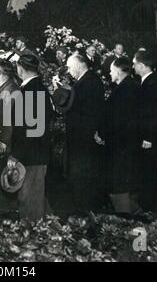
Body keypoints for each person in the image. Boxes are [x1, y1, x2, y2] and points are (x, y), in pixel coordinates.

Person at [6, 54, 53, 221]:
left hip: (30, 155)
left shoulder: (28, 92)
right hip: (37, 153)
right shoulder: (40, 88)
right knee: (36, 197)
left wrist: (16, 154)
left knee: (29, 201)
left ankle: (34, 239)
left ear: (20, 69)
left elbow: (27, 130)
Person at [98, 57, 141, 214]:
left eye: (111, 70)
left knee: (118, 188)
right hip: (127, 146)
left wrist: (102, 135)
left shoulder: (124, 90)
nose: (109, 73)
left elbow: (116, 120)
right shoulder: (132, 86)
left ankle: (126, 222)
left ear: (117, 70)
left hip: (120, 147)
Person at [64, 54, 105, 213]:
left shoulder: (89, 82)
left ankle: (85, 216)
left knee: (82, 184)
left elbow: (91, 112)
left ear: (79, 65)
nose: (68, 70)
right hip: (82, 140)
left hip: (83, 141)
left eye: (69, 66)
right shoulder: (86, 81)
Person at [132, 50, 157, 211]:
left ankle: (149, 206)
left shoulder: (153, 83)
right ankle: (147, 203)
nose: (133, 67)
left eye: (134, 64)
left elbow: (156, 113)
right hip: (148, 136)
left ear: (141, 65)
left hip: (150, 137)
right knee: (146, 171)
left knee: (149, 171)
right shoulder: (150, 81)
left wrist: (148, 137)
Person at [0, 58, 21, 215]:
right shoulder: (4, 88)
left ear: (1, 72)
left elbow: (9, 119)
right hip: (0, 138)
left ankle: (5, 212)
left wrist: (4, 141)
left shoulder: (11, 90)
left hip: (6, 142)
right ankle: (0, 210)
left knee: (4, 177)